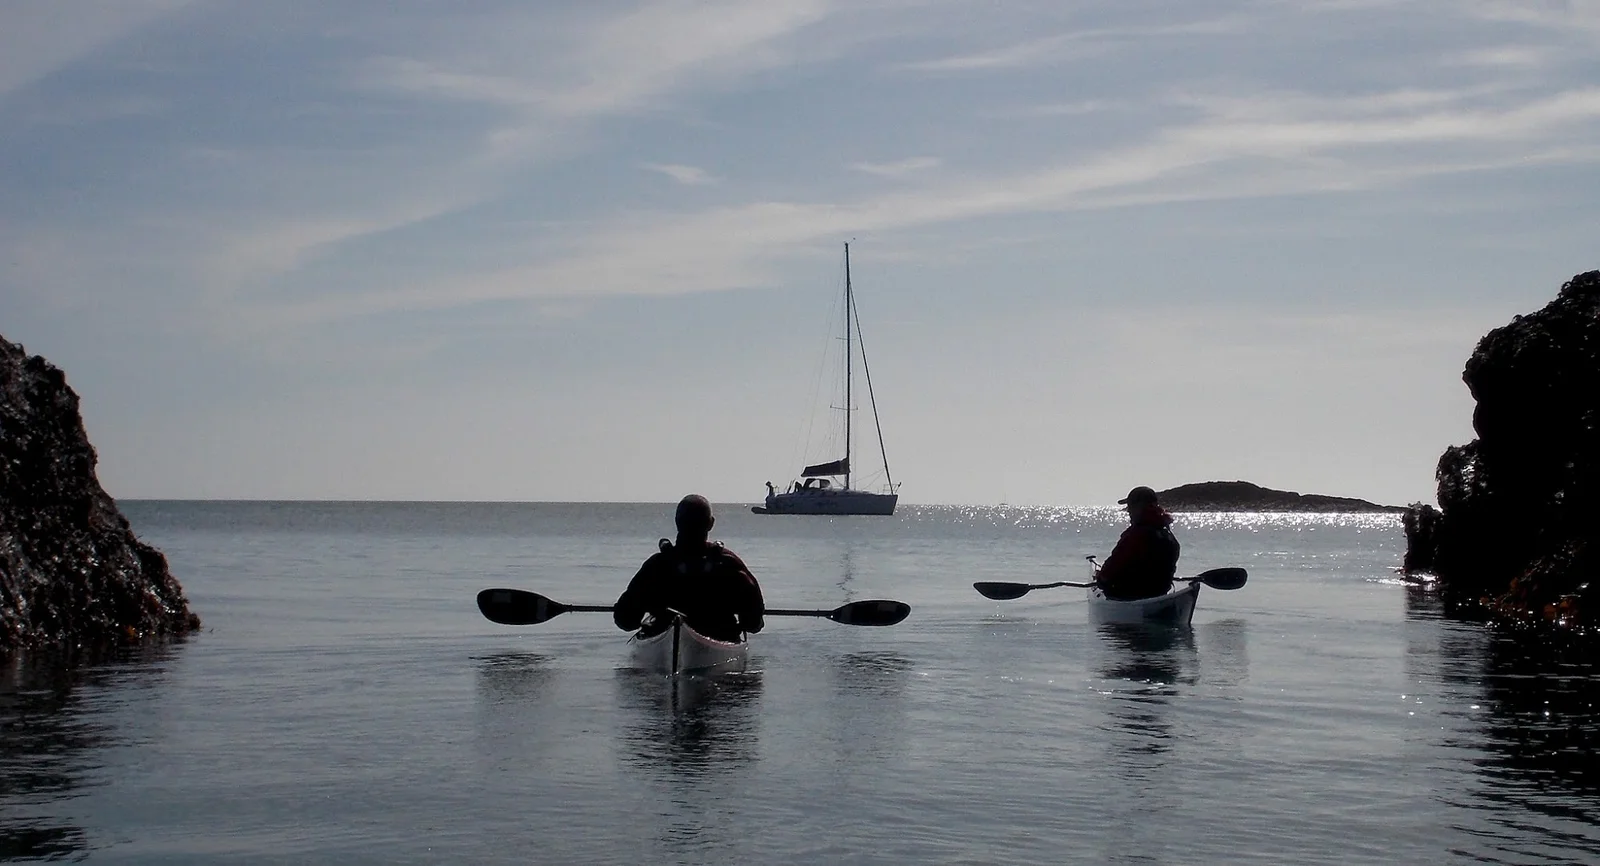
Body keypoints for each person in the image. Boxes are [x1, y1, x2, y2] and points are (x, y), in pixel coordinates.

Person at [613, 494, 765, 643]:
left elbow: (625, 620)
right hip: (720, 635)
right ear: (711, 524)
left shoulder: (655, 566)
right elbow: (753, 624)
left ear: (677, 522)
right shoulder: (730, 564)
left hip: (662, 632)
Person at [1095, 486, 1181, 600]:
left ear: (1139, 507)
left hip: (1129, 595)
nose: (1128, 511)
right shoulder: (1167, 533)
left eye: (1130, 506)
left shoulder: (1136, 534)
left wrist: (1101, 578)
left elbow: (1114, 564)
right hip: (1159, 593)